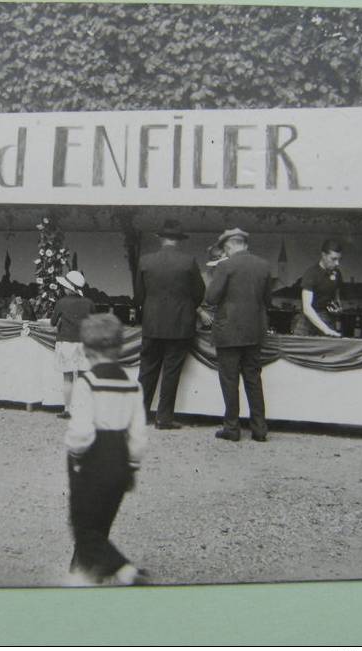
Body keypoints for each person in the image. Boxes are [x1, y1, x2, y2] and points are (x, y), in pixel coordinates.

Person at [65, 313, 149, 587]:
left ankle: (124, 570)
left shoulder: (86, 383)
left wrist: (76, 457)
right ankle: (82, 573)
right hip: (121, 458)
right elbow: (138, 433)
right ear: (120, 348)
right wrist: (133, 465)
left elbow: (81, 432)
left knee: (83, 525)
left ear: (86, 351)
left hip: (92, 457)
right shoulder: (133, 386)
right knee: (100, 522)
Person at [204, 228, 273, 443]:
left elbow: (211, 298)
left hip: (228, 332)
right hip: (254, 332)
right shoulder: (264, 266)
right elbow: (268, 301)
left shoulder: (225, 266)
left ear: (230, 246)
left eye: (225, 249)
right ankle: (260, 429)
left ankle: (232, 428)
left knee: (230, 380)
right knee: (253, 378)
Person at [134, 219, 205, 430]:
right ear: (179, 240)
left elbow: (138, 297)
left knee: (147, 370)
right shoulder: (188, 261)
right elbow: (199, 293)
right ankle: (164, 418)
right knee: (171, 372)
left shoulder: (145, 261)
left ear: (160, 238)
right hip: (180, 325)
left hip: (152, 324)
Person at [50, 270, 97, 419]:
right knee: (83, 377)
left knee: (68, 377)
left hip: (66, 342)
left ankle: (67, 409)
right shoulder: (89, 303)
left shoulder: (61, 303)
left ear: (69, 288)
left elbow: (52, 322)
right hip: (84, 343)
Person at [291, 239, 344, 337]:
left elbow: (337, 297)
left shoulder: (338, 274)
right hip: (307, 321)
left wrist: (338, 308)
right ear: (323, 255)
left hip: (326, 319)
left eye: (339, 259)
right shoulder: (311, 274)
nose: (337, 263)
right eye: (333, 259)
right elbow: (307, 308)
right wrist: (326, 330)